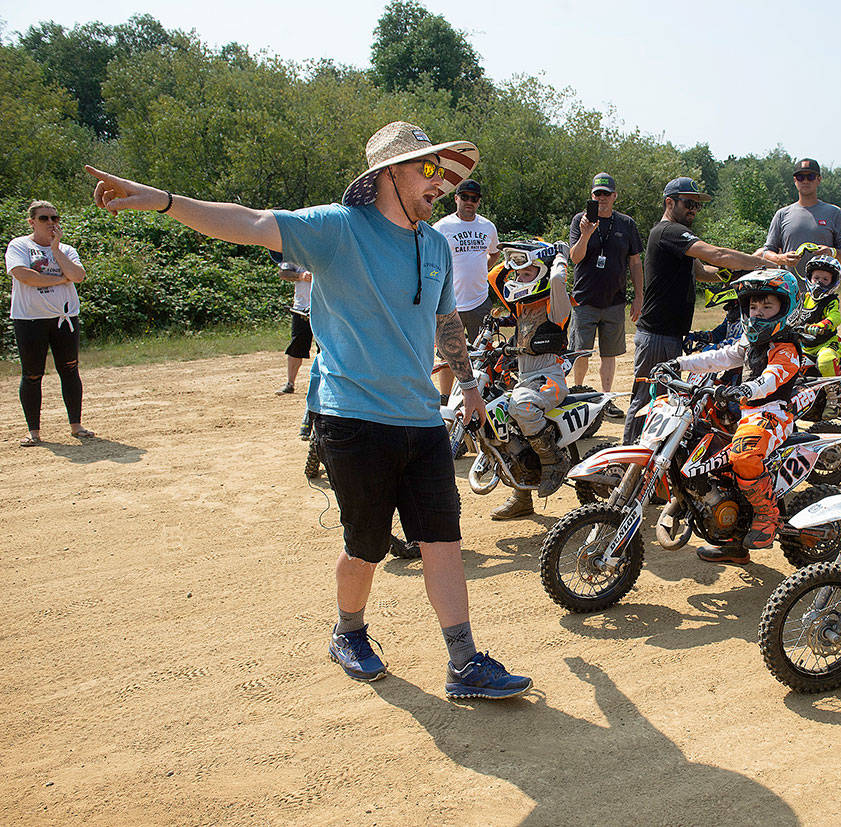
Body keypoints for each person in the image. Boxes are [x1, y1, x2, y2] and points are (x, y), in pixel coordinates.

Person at [84, 121, 531, 700]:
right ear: (388, 174)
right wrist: (163, 201)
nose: (441, 182)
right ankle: (349, 631)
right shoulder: (337, 230)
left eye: (443, 171)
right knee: (366, 544)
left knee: (441, 538)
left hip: (421, 415)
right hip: (351, 416)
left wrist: (467, 384)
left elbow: (446, 320)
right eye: (427, 168)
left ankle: (464, 660)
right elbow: (247, 222)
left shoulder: (438, 245)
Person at [654, 269, 804, 565]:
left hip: (773, 414)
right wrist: (679, 363)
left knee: (743, 457)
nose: (758, 313)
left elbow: (774, 377)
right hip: (746, 413)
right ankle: (732, 540)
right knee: (708, 456)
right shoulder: (751, 344)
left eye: (767, 307)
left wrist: (749, 386)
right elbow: (720, 356)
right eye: (753, 306)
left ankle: (767, 514)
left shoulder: (785, 347)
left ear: (786, 309)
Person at [623, 177, 772, 444]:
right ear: (670, 202)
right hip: (657, 334)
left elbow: (705, 271)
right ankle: (627, 464)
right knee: (646, 399)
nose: (693, 209)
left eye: (697, 206)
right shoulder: (669, 231)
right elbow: (717, 255)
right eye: (689, 203)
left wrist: (738, 274)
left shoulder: (675, 240)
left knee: (664, 400)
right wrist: (763, 262)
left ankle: (647, 461)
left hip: (669, 335)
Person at [486, 240, 574, 521]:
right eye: (518, 275)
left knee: (521, 406)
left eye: (527, 273)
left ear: (543, 273)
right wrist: (512, 257)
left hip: (550, 377)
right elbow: (493, 277)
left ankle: (553, 460)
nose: (519, 278)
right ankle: (521, 496)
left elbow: (559, 278)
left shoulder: (555, 306)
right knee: (497, 423)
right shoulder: (521, 307)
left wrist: (558, 256)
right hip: (524, 379)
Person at [6, 200, 93, 447]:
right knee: (32, 374)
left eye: (55, 218)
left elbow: (78, 276)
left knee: (70, 369)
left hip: (63, 319)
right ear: (32, 222)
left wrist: (55, 250)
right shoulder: (20, 245)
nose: (51, 223)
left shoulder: (65, 249)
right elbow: (24, 276)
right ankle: (34, 431)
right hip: (30, 319)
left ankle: (76, 426)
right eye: (44, 218)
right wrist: (59, 280)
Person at [568, 173, 643, 418]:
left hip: (614, 300)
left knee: (609, 353)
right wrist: (586, 234)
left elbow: (634, 262)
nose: (601, 198)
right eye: (597, 194)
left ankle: (606, 398)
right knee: (581, 351)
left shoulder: (626, 224)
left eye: (606, 194)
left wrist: (639, 296)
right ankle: (578, 394)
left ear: (614, 196)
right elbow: (575, 258)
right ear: (592, 196)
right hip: (584, 299)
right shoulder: (580, 220)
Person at [433, 178, 501, 401]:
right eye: (465, 197)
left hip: (480, 301)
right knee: (446, 353)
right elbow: (430, 257)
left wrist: (483, 268)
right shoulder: (442, 227)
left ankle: (480, 396)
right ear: (456, 198)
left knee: (483, 352)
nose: (469, 202)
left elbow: (495, 253)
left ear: (479, 202)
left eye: (474, 199)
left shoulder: (487, 227)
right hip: (448, 302)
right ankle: (445, 397)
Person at [792, 255, 841, 377]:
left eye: (825, 279)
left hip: (826, 344)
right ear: (810, 278)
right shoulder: (803, 298)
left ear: (833, 281)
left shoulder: (831, 301)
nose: (819, 282)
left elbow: (835, 316)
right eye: (816, 278)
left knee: (825, 361)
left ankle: (833, 392)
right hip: (803, 345)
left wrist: (821, 325)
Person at [276, 259, 314, 396]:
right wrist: (300, 276)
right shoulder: (295, 252)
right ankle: (290, 383)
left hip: (326, 307)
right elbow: (283, 273)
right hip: (302, 308)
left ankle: (329, 383)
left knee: (328, 348)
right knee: (297, 345)